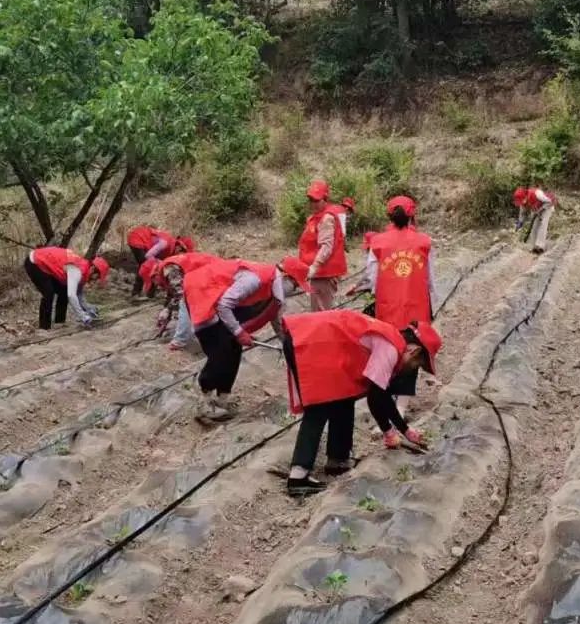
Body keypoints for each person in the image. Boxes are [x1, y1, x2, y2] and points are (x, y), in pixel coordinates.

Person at [281, 312, 441, 496]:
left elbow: (382, 394)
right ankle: (298, 477)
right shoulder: (389, 348)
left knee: (343, 396)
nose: (413, 369)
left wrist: (405, 431)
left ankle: (338, 460)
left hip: (317, 340)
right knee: (319, 406)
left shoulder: (392, 340)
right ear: (414, 351)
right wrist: (389, 432)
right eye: (417, 364)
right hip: (311, 341)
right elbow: (375, 397)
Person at [184, 256, 311, 425]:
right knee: (220, 352)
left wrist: (290, 346)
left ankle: (222, 401)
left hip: (221, 307)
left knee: (234, 350)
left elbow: (276, 320)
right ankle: (204, 403)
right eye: (295, 285)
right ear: (287, 277)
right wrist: (238, 331)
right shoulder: (255, 279)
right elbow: (224, 304)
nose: (294, 290)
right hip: (205, 295)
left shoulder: (273, 288)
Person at [361, 195, 436, 420]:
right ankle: (402, 407)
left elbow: (372, 280)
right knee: (411, 353)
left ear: (389, 216)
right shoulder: (424, 241)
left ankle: (384, 400)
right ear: (413, 215)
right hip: (416, 308)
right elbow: (430, 279)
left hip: (388, 309)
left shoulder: (378, 242)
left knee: (388, 352)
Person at [140, 250, 216, 350]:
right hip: (210, 275)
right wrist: (166, 314)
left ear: (154, 275)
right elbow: (172, 294)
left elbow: (181, 295)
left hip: (214, 274)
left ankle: (179, 342)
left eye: (154, 283)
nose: (157, 286)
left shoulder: (170, 270)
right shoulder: (168, 268)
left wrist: (167, 310)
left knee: (186, 303)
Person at [24, 246, 110, 330]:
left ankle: (59, 323)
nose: (96, 280)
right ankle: (44, 328)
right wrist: (83, 317)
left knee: (64, 291)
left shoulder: (84, 271)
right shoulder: (77, 271)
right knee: (49, 293)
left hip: (47, 265)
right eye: (98, 277)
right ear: (93, 269)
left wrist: (89, 309)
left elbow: (79, 296)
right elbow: (72, 295)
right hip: (35, 261)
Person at [298, 180, 348, 312]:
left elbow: (326, 246)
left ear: (325, 199)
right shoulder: (318, 217)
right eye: (311, 200)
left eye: (316, 200)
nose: (313, 203)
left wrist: (314, 267)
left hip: (324, 274)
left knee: (322, 314)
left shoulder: (326, 219)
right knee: (320, 311)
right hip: (319, 274)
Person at [127, 226, 193, 295]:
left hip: (144, 240)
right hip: (138, 237)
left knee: (153, 266)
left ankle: (149, 293)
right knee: (145, 264)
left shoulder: (171, 250)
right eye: (183, 254)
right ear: (179, 247)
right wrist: (160, 263)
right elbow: (148, 256)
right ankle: (137, 292)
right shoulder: (165, 243)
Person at [514, 183, 557, 254]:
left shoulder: (537, 193)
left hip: (547, 208)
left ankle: (540, 246)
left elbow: (551, 201)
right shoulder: (522, 203)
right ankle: (533, 246)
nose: (521, 203)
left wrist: (540, 210)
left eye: (522, 200)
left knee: (543, 225)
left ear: (525, 196)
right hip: (536, 209)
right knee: (534, 226)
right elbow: (522, 213)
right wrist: (520, 222)